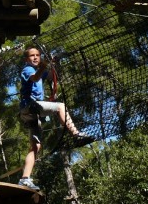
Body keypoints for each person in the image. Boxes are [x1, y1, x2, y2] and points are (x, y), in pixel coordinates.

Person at [18, 47, 93, 190]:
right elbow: (35, 77)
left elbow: (52, 76)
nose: (35, 58)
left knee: (36, 146)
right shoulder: (27, 69)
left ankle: (25, 179)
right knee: (60, 107)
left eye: (37, 55)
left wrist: (54, 64)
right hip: (30, 106)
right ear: (26, 59)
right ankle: (76, 134)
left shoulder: (38, 69)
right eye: (32, 56)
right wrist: (44, 66)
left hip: (30, 112)